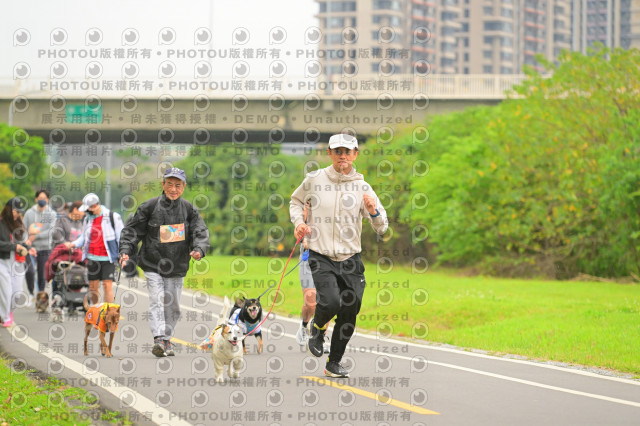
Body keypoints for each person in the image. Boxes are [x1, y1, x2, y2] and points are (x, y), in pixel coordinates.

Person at [290, 133, 388, 378]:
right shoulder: (314, 179)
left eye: (347, 151)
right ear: (330, 154)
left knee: (350, 309)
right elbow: (295, 202)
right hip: (320, 253)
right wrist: (299, 222)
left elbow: (382, 227)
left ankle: (333, 362)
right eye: (337, 151)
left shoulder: (363, 187)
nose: (342, 156)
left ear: (355, 154)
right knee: (331, 301)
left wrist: (373, 212)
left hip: (350, 258)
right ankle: (317, 328)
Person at [119, 167, 210, 358]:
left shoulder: (189, 209)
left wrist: (199, 249)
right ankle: (159, 338)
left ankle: (166, 340)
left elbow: (200, 231)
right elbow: (132, 231)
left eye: (178, 185)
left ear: (184, 187)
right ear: (163, 184)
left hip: (177, 265)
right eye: (169, 184)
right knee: (157, 299)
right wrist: (125, 250)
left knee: (173, 306)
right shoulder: (149, 206)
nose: (173, 189)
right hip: (152, 264)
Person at [66, 193, 124, 305]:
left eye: (88, 209)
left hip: (108, 258)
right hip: (92, 257)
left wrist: (122, 254)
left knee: (107, 285)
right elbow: (83, 237)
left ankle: (108, 311)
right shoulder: (88, 219)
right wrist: (73, 244)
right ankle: (96, 309)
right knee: (93, 287)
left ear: (95, 206)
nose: (87, 211)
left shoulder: (112, 216)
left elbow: (121, 237)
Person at [0, 197, 35, 327]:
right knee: (6, 290)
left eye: (19, 212)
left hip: (18, 262)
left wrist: (29, 249)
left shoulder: (18, 224)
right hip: (2, 261)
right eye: (16, 211)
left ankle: (8, 312)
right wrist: (15, 247)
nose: (18, 214)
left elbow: (21, 243)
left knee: (17, 293)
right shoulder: (1, 223)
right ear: (9, 210)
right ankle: (4, 316)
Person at [23, 190, 57, 305]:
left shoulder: (51, 214)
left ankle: (40, 296)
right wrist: (26, 241)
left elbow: (51, 231)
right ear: (36, 199)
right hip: (30, 248)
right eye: (40, 198)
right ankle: (31, 294)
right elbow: (23, 229)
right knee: (29, 271)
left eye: (44, 198)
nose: (42, 200)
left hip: (45, 248)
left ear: (48, 200)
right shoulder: (29, 213)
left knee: (42, 274)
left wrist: (35, 236)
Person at [50, 201, 84, 295]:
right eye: (82, 211)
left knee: (76, 278)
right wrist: (65, 244)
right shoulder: (62, 219)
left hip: (75, 256)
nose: (83, 214)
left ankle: (74, 298)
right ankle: (56, 297)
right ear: (75, 210)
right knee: (58, 278)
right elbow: (56, 234)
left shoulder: (80, 223)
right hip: (61, 254)